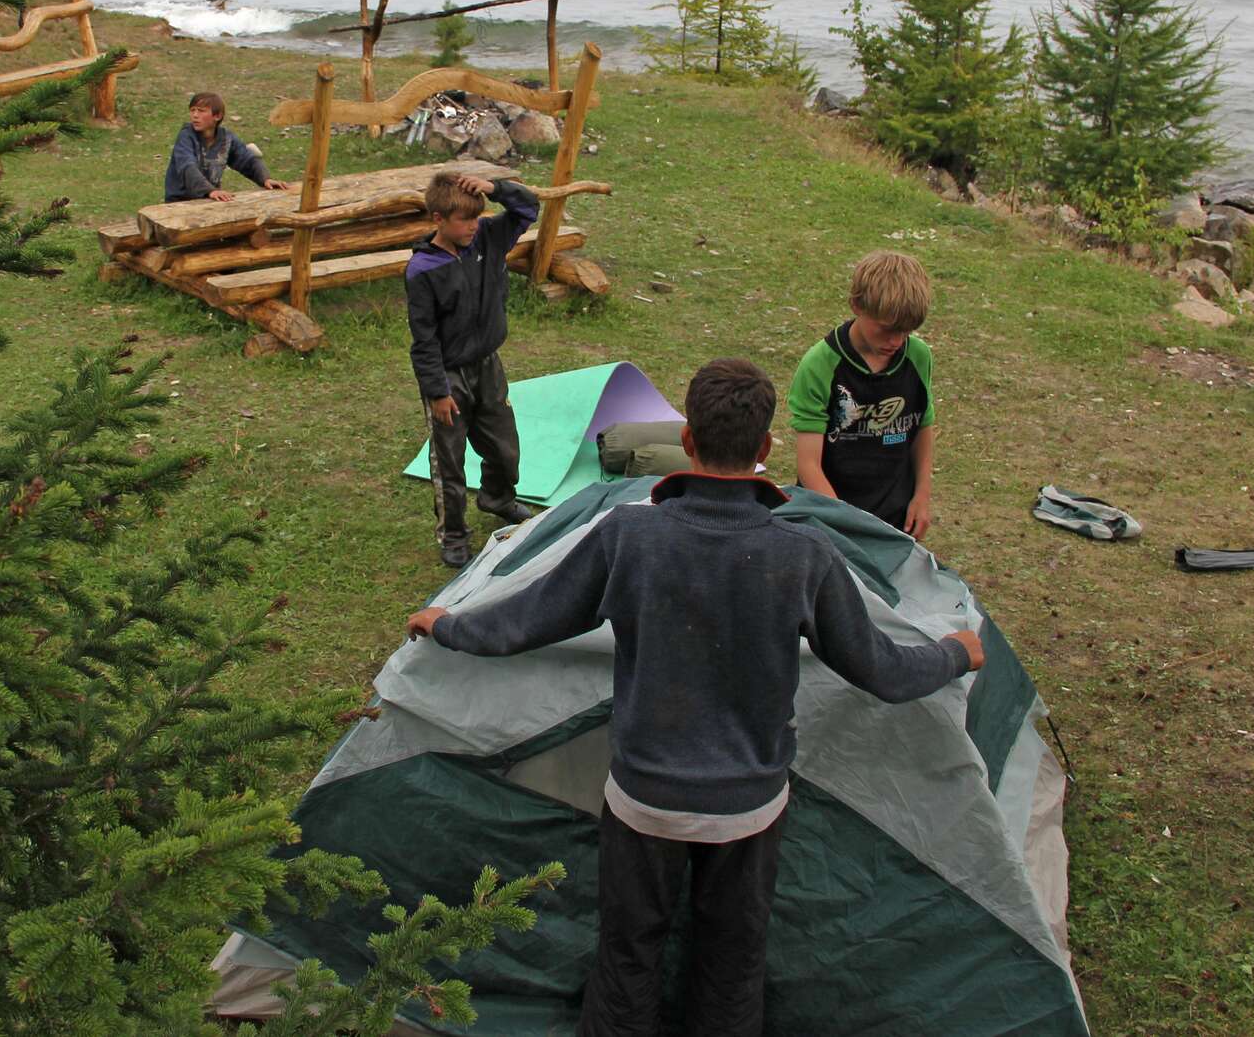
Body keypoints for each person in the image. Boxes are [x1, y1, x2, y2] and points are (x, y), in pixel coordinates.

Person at [405, 359, 983, 1036]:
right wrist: (955, 651)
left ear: (685, 439)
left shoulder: (629, 536)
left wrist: (451, 624)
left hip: (644, 800)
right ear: (766, 449)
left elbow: (530, 617)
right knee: (732, 968)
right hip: (747, 809)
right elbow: (881, 669)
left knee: (627, 958)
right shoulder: (804, 554)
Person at [405, 171, 540, 567]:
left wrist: (495, 188)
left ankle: (497, 498)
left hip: (488, 366)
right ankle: (453, 534)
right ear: (438, 219)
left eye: (477, 217)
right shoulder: (422, 270)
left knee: (504, 448)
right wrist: (437, 391)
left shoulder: (488, 238)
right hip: (448, 377)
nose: (472, 226)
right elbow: (424, 339)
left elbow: (528, 206)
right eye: (464, 220)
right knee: (449, 460)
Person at [787, 250, 937, 537]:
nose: (896, 341)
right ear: (856, 305)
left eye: (906, 331)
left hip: (895, 518)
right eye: (886, 329)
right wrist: (845, 524)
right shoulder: (820, 364)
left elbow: (923, 426)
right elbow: (808, 464)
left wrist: (922, 496)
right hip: (830, 516)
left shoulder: (918, 357)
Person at [163, 91, 290, 202]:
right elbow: (187, 166)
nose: (195, 115)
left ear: (217, 116)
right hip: (180, 202)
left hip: (208, 199)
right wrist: (210, 190)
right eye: (192, 110)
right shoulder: (186, 136)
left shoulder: (226, 138)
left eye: (201, 111)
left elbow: (247, 160)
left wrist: (265, 179)